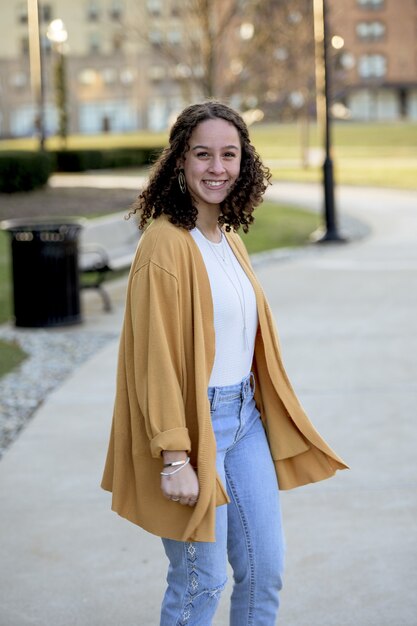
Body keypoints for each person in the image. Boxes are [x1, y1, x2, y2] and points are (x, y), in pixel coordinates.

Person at [101, 101, 348, 626]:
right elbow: (155, 360)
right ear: (180, 161)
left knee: (265, 571)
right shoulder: (164, 244)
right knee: (200, 582)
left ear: (245, 163)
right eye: (203, 154)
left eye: (229, 154)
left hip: (245, 422)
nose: (217, 167)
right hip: (194, 427)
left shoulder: (228, 238)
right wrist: (174, 456)